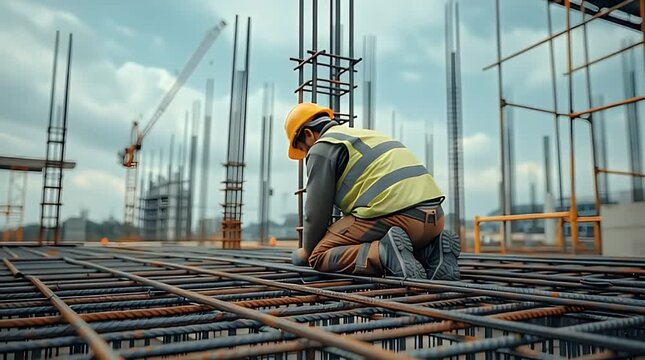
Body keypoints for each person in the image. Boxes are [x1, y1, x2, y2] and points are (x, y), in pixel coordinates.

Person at [285, 102, 460, 280]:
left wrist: (307, 250)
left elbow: (315, 212)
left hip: (399, 217)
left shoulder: (322, 147)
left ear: (308, 134)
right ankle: (433, 252)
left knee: (319, 255)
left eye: (303, 149)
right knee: (399, 245)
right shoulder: (364, 135)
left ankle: (383, 253)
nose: (306, 154)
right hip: (435, 220)